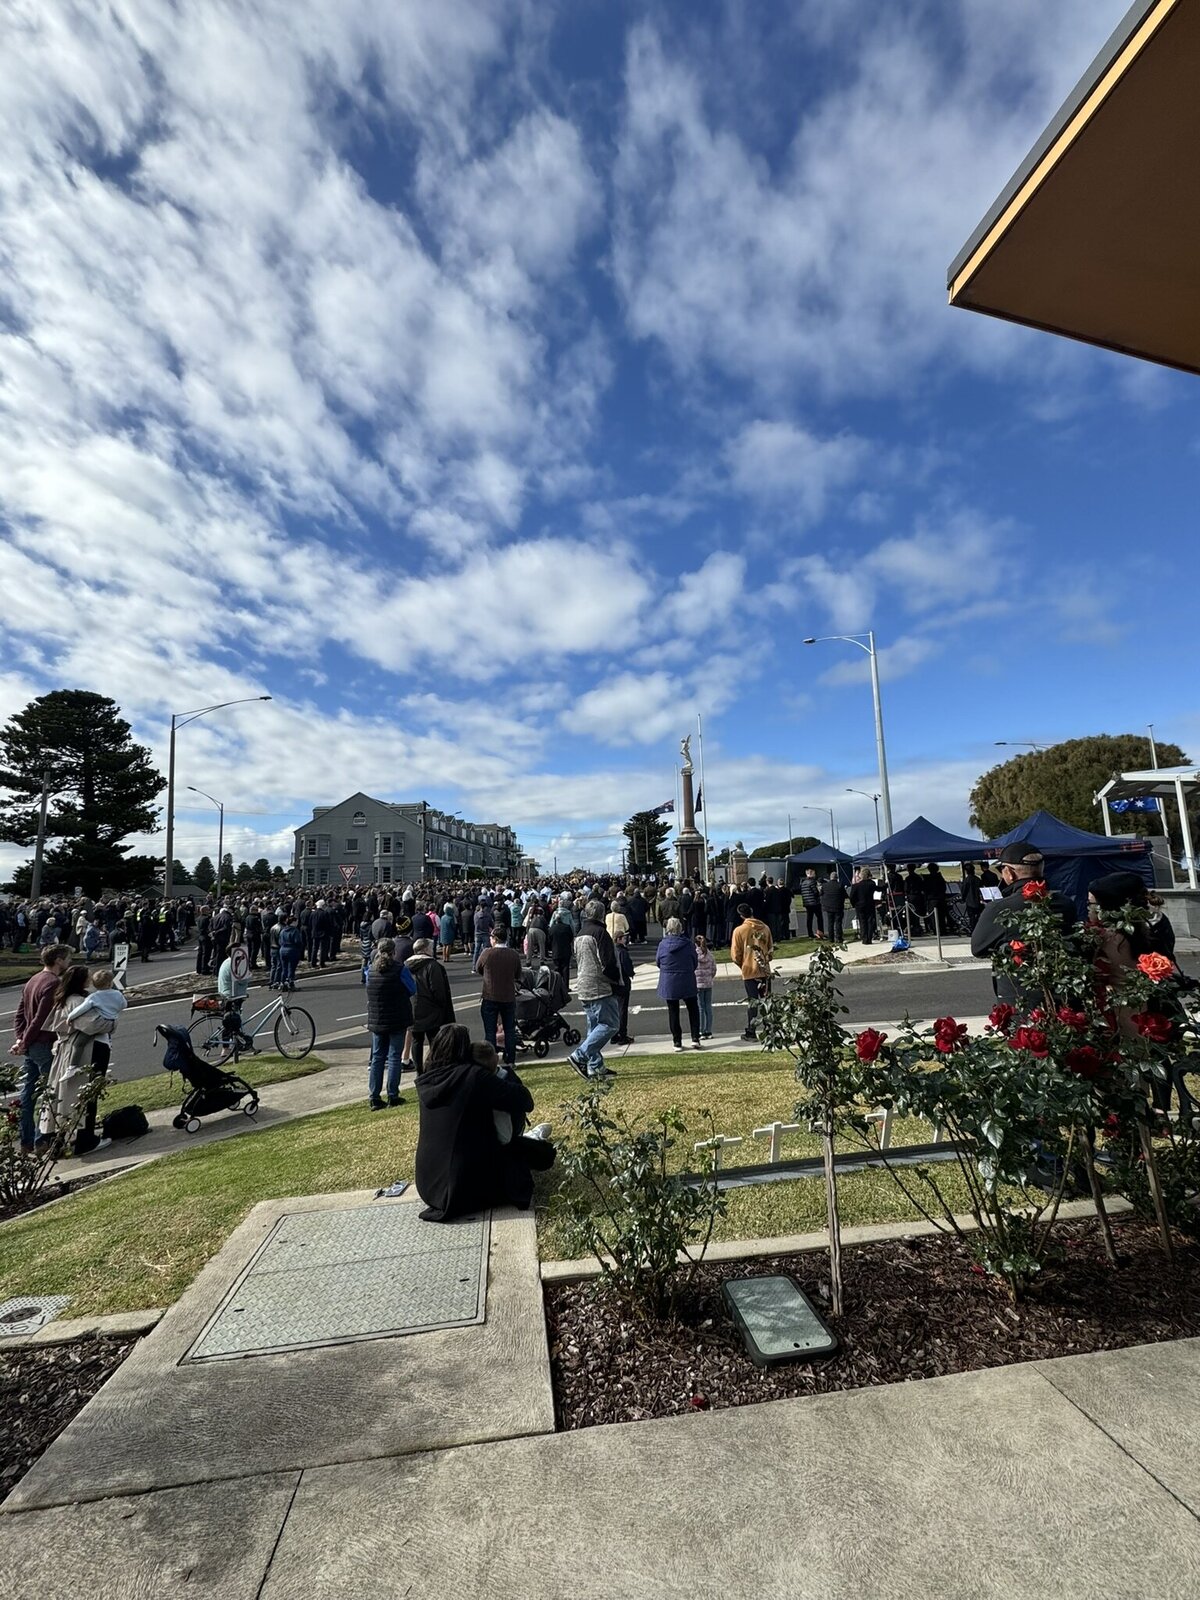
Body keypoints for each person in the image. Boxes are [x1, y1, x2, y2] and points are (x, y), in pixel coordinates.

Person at [415, 1024, 555, 1223]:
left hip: (427, 1186)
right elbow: (524, 1100)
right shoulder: (472, 1076)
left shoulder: (427, 1081)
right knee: (533, 1155)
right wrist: (499, 1072)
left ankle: (531, 1139)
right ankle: (532, 1139)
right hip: (460, 1190)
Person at [970, 843, 1075, 1005]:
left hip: (1021, 998)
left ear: (1010, 873)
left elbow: (978, 948)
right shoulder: (1065, 903)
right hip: (1065, 996)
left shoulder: (1001, 908)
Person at [11, 944, 72, 1154]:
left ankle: (26, 1140)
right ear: (58, 960)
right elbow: (40, 1019)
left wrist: (20, 1039)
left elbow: (21, 1014)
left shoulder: (32, 981)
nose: (69, 962)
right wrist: (25, 1041)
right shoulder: (53, 983)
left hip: (30, 1044)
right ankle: (41, 1139)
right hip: (43, 1043)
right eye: (67, 958)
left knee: (28, 1093)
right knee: (48, 1091)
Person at [568, 900, 621, 1080]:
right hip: (599, 985)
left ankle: (595, 1066)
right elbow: (608, 963)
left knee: (594, 1027)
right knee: (611, 1024)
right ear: (601, 914)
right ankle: (581, 1055)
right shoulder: (600, 933)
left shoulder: (580, 934)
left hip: (583, 983)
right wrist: (616, 981)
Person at [365, 937, 416, 1109]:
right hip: (397, 1017)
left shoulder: (370, 970)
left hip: (377, 1018)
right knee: (394, 1056)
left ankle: (374, 1096)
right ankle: (392, 1094)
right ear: (394, 952)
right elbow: (412, 989)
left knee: (377, 1057)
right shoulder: (400, 969)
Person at [476, 925, 524, 1069]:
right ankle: (511, 1060)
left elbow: (479, 968)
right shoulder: (513, 955)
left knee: (490, 1031)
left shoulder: (486, 954)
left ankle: (490, 1060)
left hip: (490, 995)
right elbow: (518, 975)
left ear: (494, 939)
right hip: (508, 996)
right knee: (509, 1029)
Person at [407, 937, 456, 1073]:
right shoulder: (432, 965)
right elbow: (438, 989)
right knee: (434, 1039)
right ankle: (434, 1066)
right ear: (425, 949)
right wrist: (442, 1005)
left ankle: (419, 1070)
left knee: (416, 1040)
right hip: (430, 1007)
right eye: (430, 947)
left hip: (412, 1006)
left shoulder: (405, 965)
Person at [729, 902, 774, 1040]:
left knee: (753, 1002)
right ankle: (769, 1029)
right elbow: (771, 949)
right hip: (764, 970)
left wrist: (742, 964)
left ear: (741, 915)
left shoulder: (739, 930)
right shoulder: (765, 928)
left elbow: (735, 954)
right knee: (766, 1000)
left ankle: (751, 1030)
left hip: (749, 970)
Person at [656, 916, 701, 1051]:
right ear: (680, 929)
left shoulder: (662, 945)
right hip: (686, 978)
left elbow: (658, 962)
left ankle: (677, 1041)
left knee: (673, 1011)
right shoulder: (688, 944)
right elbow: (694, 962)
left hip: (669, 980)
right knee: (693, 1009)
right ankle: (695, 1038)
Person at [612, 929, 636, 1045]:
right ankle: (622, 1034)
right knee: (622, 1010)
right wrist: (631, 973)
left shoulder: (612, 950)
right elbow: (627, 967)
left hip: (614, 984)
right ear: (619, 939)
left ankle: (614, 1034)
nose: (625, 939)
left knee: (615, 1010)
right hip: (623, 984)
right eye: (623, 937)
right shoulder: (622, 952)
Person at [694, 932, 717, 1039]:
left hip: (698, 984)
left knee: (700, 1007)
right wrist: (709, 978)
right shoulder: (710, 955)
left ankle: (701, 1030)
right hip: (708, 983)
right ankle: (708, 1030)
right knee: (708, 1006)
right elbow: (714, 970)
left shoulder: (694, 955)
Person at [849, 868, 877, 945]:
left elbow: (851, 896)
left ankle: (864, 938)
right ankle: (869, 938)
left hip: (859, 905)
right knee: (870, 921)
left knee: (862, 922)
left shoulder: (856, 886)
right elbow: (877, 888)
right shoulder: (872, 884)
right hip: (870, 904)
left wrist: (854, 904)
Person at [818, 872, 847, 944]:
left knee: (830, 923)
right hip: (838, 906)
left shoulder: (825, 885)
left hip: (828, 907)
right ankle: (839, 938)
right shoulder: (840, 885)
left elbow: (820, 894)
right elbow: (845, 895)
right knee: (838, 923)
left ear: (830, 878)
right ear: (837, 878)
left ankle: (831, 938)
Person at [798, 869, 823, 939]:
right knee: (819, 918)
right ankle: (820, 932)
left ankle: (810, 933)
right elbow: (815, 893)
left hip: (807, 903)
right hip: (814, 902)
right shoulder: (812, 882)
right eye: (814, 873)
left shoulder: (803, 883)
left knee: (809, 918)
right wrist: (820, 891)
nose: (815, 875)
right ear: (811, 874)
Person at [960, 863, 984, 932]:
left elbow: (964, 890)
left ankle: (973, 930)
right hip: (978, 900)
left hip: (970, 901)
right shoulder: (978, 879)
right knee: (978, 916)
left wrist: (963, 898)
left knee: (972, 917)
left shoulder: (966, 880)